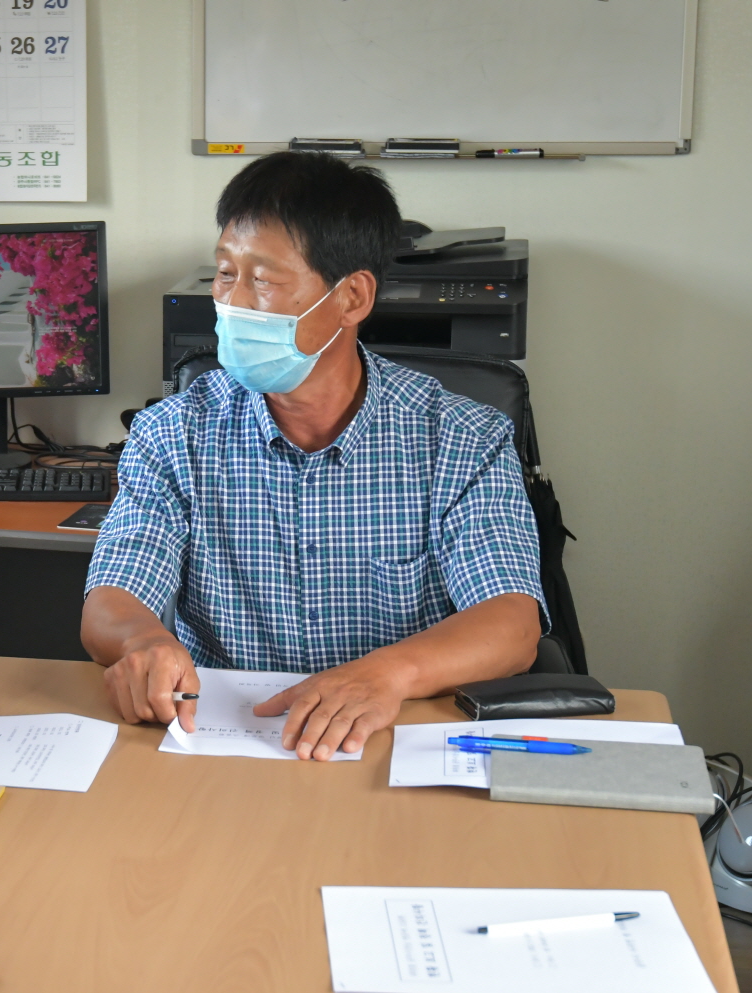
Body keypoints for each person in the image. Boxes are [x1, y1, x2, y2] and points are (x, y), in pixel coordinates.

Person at [82, 152, 545, 761]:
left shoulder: (461, 438)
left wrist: (388, 675)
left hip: (388, 742)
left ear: (352, 297)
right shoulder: (172, 433)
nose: (232, 303)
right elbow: (112, 596)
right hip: (226, 744)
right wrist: (141, 641)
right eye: (225, 274)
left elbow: (512, 624)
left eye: (263, 280)